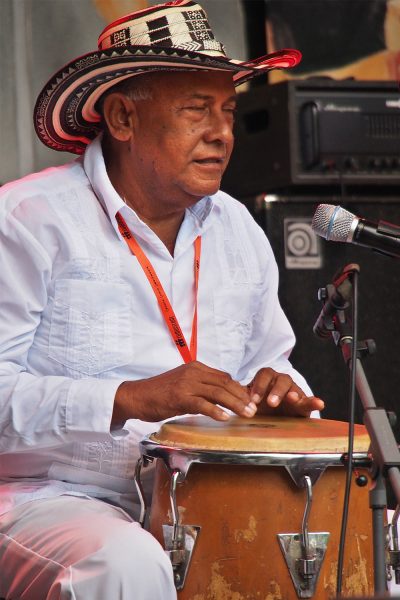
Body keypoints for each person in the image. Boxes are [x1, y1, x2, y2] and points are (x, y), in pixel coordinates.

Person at [0, 1, 324, 598]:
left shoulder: (238, 227)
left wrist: (277, 386)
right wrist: (128, 399)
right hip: (56, 498)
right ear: (123, 118)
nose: (222, 132)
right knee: (124, 564)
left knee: (375, 533)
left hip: (211, 494)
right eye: (196, 110)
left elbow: (269, 359)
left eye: (227, 110)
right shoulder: (26, 220)